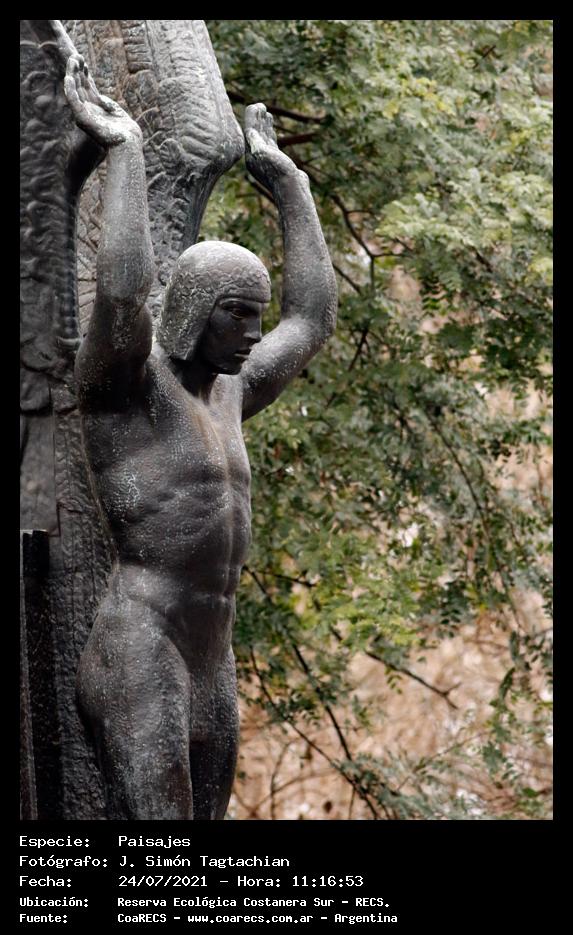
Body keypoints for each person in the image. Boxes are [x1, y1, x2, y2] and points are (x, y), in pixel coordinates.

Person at [60, 42, 337, 819]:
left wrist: (289, 184)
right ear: (190, 311)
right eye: (235, 315)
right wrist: (125, 151)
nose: (251, 334)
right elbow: (121, 297)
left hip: (212, 654)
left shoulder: (231, 391)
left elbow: (310, 319)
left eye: (255, 317)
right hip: (141, 644)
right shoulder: (126, 388)